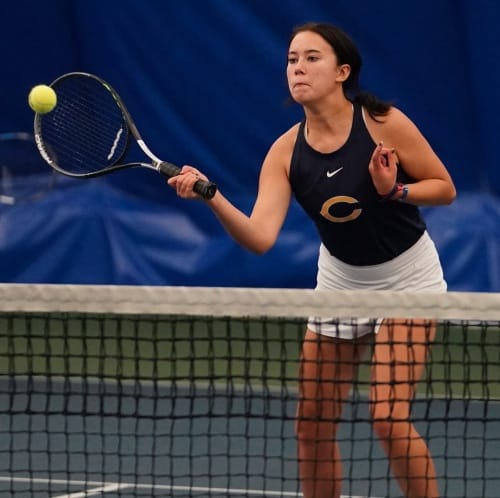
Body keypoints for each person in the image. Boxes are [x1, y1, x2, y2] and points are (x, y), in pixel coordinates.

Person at [168, 22, 456, 498]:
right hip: (340, 283)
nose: (297, 68)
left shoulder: (382, 122)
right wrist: (212, 197)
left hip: (409, 278)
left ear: (342, 71)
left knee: (387, 417)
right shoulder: (285, 153)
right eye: (291, 60)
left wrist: (395, 190)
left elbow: (444, 188)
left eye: (311, 58)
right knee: (311, 425)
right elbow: (260, 238)